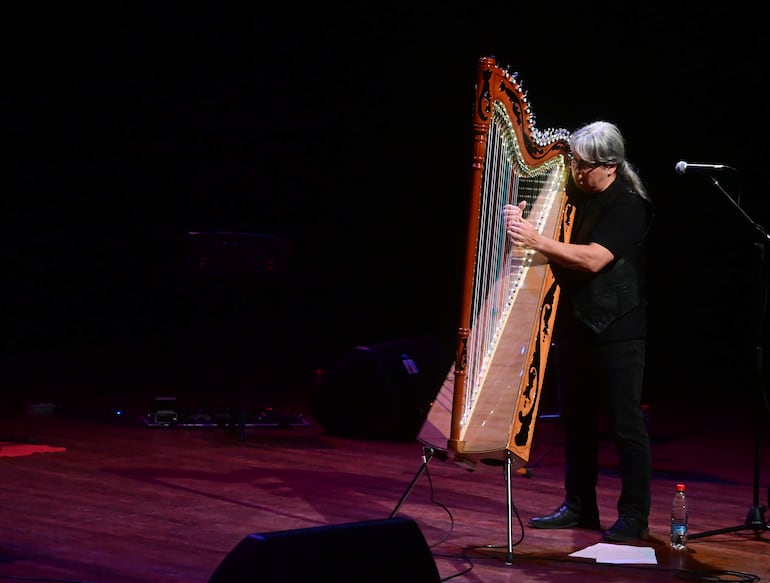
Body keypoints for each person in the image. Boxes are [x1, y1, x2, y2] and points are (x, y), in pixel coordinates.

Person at [503, 120, 654, 542]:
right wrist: (519, 219)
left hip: (617, 325)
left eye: (584, 165)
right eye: (573, 162)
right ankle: (579, 506)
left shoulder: (627, 205)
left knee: (625, 425)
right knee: (576, 421)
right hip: (574, 322)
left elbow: (591, 259)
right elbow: (545, 234)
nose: (575, 171)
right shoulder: (571, 193)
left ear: (610, 165)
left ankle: (634, 516)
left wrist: (536, 240)